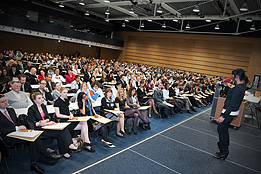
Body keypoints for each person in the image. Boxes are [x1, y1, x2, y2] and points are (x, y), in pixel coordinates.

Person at [0, 94, 57, 173]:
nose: (5, 103)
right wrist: (16, 128)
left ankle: (35, 163)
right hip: (8, 137)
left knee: (33, 137)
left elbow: (16, 122)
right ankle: (45, 153)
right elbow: (2, 131)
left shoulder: (11, 110)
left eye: (6, 100)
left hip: (19, 132)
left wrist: (20, 126)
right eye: (3, 102)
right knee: (32, 139)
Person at [27, 92, 78, 159]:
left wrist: (46, 122)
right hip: (39, 129)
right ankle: (68, 146)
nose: (42, 99)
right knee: (60, 132)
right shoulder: (31, 109)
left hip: (47, 126)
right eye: (39, 98)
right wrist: (41, 123)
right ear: (34, 100)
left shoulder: (43, 106)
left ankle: (66, 148)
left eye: (42, 97)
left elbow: (47, 118)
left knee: (62, 130)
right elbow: (33, 123)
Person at [213, 68, 248, 160]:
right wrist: (227, 87)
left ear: (236, 76)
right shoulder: (241, 86)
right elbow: (232, 96)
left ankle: (224, 152)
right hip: (231, 112)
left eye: (232, 75)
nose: (231, 77)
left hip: (228, 113)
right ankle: (223, 150)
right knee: (223, 130)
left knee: (222, 131)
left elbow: (232, 104)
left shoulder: (238, 88)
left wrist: (223, 116)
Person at [54, 87, 94, 152]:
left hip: (69, 120)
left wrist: (70, 114)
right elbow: (58, 115)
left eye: (66, 92)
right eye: (64, 92)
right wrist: (68, 116)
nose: (66, 94)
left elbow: (67, 111)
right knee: (84, 125)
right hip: (63, 122)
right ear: (60, 93)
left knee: (84, 122)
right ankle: (87, 143)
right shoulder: (57, 102)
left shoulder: (66, 101)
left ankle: (86, 141)